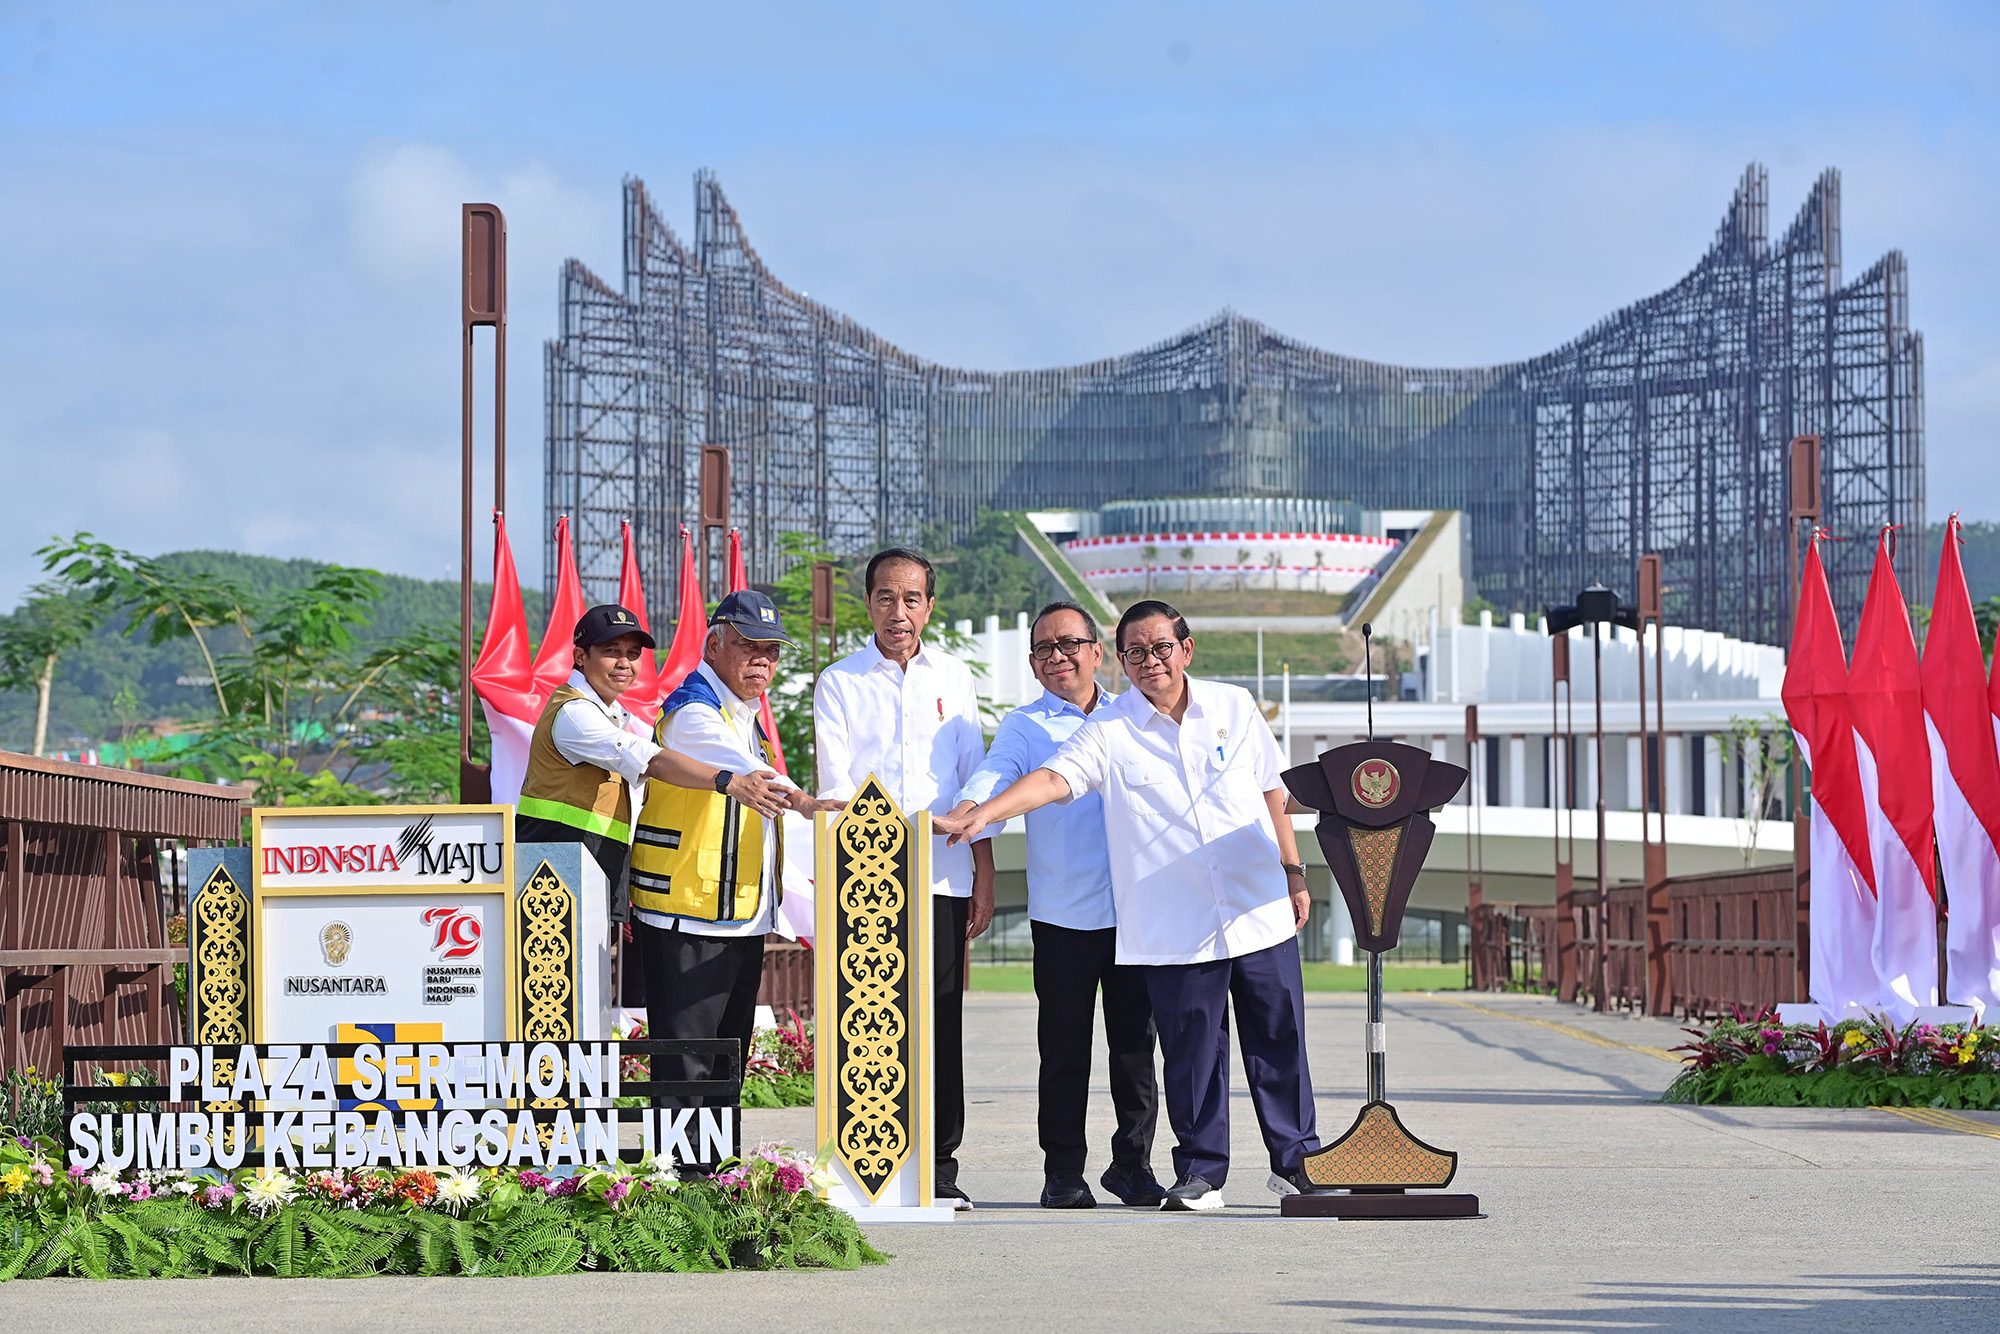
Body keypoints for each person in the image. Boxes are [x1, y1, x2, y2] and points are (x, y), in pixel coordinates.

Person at [939, 598, 1319, 1213]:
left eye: (1161, 648)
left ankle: (1297, 1161)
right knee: (1193, 1050)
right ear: (1120, 661)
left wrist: (1293, 869)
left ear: (1185, 650)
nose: (1151, 662)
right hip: (1173, 918)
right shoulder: (1109, 730)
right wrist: (981, 813)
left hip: (1255, 901)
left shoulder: (1233, 706)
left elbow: (1272, 789)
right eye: (1137, 653)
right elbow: (1052, 779)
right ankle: (1200, 1173)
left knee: (1277, 1035)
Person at [951, 600, 1163, 1210]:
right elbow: (994, 779)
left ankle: (1133, 1166)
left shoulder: (1137, 714)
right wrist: (969, 814)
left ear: (1099, 653)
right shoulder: (1026, 726)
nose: (1058, 656)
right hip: (1062, 914)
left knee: (1134, 1051)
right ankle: (1063, 1172)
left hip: (1134, 912)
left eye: (1070, 644)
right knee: (1064, 1051)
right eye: (1045, 648)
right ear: (1034, 664)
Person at [814, 548, 995, 1209]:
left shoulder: (954, 676)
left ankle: (940, 1167)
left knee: (941, 1022)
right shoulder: (838, 681)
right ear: (868, 603)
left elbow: (976, 781)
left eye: (912, 599)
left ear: (930, 606)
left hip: (943, 876)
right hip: (864, 877)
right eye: (886, 598)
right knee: (872, 1020)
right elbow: (835, 788)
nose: (899, 612)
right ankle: (875, 1165)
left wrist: (984, 867)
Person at [627, 590, 840, 1104]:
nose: (762, 660)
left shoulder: (747, 720)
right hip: (687, 915)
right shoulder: (692, 713)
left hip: (737, 915)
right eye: (749, 646)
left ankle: (720, 1176)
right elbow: (747, 772)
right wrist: (806, 801)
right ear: (713, 645)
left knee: (727, 1060)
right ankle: (677, 1180)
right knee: (685, 1063)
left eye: (772, 650)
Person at [516, 603, 789, 927]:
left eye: (633, 653)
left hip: (589, 866)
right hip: (554, 874)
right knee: (561, 977)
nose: (624, 663)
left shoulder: (609, 714)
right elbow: (650, 760)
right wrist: (729, 781)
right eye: (611, 651)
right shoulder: (575, 714)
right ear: (580, 656)